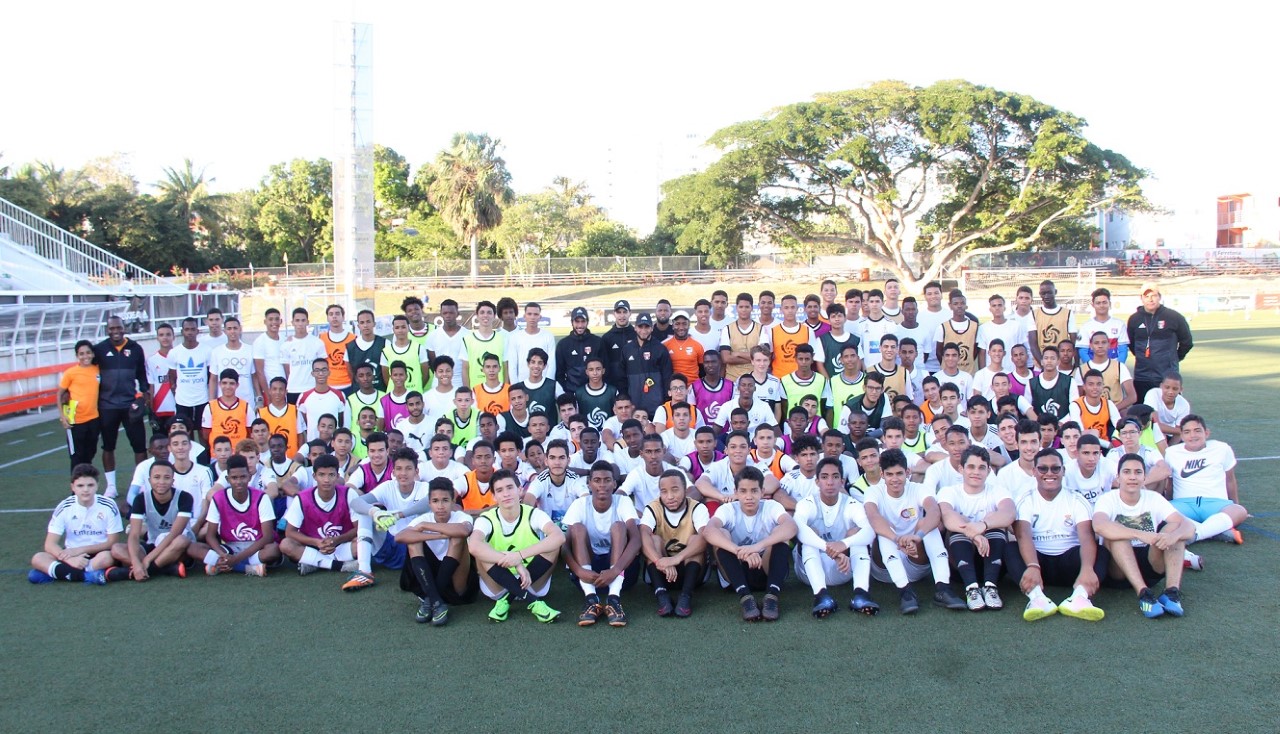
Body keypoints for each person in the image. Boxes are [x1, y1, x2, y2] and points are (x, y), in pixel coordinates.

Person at [864, 450, 968, 614]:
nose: (895, 479)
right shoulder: (873, 492)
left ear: (908, 472)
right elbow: (873, 517)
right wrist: (897, 539)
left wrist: (917, 537)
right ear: (882, 475)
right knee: (884, 528)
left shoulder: (919, 489)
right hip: (884, 569)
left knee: (928, 526)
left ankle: (943, 589)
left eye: (899, 473)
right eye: (890, 474)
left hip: (916, 560)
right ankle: (905, 592)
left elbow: (934, 512)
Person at [1093, 452, 1194, 618]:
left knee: (1175, 530)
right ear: (1118, 477)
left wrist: (1173, 536)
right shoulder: (1107, 499)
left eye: (1138, 472)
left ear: (1144, 477)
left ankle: (1171, 593)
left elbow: (1189, 526)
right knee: (1116, 535)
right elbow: (1099, 525)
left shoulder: (1154, 498)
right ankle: (1144, 594)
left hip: (1150, 563)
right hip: (1118, 570)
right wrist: (1139, 534)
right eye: (1127, 472)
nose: (1132, 477)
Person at [1012, 449, 1106, 622]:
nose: (1049, 473)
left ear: (1063, 471)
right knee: (1010, 549)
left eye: (1055, 468)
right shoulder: (1024, 500)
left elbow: (1086, 537)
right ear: (1034, 472)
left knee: (1102, 552)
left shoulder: (1076, 499)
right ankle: (1037, 599)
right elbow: (1023, 535)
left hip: (1069, 563)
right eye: (1043, 469)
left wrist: (1087, 569)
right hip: (1038, 564)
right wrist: (1033, 566)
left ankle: (1079, 598)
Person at [468, 469, 567, 623]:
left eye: (510, 487)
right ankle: (534, 602)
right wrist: (516, 563)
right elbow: (474, 546)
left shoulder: (534, 513)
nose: (506, 494)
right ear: (493, 496)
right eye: (500, 490)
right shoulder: (486, 518)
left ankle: (508, 599)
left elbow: (559, 536)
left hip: (532, 580)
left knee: (553, 545)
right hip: (497, 585)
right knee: (481, 549)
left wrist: (519, 555)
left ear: (520, 490)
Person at [702, 466, 799, 621]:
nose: (749, 497)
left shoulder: (771, 506)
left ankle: (772, 596)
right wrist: (740, 551)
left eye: (754, 491)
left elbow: (791, 527)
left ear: (762, 491)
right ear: (735, 492)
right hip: (736, 572)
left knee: (781, 534)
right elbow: (708, 531)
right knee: (721, 534)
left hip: (767, 570)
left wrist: (756, 547)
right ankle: (745, 597)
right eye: (743, 491)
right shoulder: (728, 509)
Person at [795, 457, 878, 618]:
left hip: (842, 569)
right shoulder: (806, 503)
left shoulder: (852, 504)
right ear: (817, 482)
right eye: (824, 477)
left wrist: (844, 544)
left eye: (835, 477)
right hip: (808, 572)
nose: (830, 482)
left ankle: (861, 594)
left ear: (842, 481)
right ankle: (821, 596)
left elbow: (870, 532)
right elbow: (799, 530)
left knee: (858, 535)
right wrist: (831, 549)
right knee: (810, 534)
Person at [938, 446, 1016, 611]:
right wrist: (975, 535)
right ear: (961, 469)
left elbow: (1009, 513)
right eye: (971, 467)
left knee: (995, 523)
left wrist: (983, 525)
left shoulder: (998, 491)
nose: (976, 472)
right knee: (956, 527)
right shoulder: (949, 491)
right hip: (959, 567)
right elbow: (947, 516)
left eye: (981, 467)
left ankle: (990, 586)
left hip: (995, 565)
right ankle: (971, 588)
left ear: (989, 471)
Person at [564, 462, 642, 627]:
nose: (602, 485)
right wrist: (579, 571)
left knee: (619, 527)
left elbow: (636, 539)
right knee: (577, 529)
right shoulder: (579, 504)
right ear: (589, 484)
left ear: (614, 484)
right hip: (588, 575)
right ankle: (591, 599)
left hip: (620, 573)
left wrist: (615, 570)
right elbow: (564, 545)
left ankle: (614, 599)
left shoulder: (623, 501)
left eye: (607, 480)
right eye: (597, 480)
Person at [393, 477, 478, 626]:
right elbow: (400, 537)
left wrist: (425, 526)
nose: (440, 506)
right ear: (429, 503)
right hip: (429, 580)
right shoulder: (424, 518)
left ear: (453, 501)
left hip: (457, 584)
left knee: (457, 538)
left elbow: (464, 530)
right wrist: (439, 535)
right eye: (435, 501)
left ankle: (430, 600)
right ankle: (436, 601)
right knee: (413, 541)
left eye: (445, 500)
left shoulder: (461, 517)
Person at [343, 447, 429, 591]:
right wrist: (375, 512)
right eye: (399, 469)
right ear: (393, 472)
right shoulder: (387, 487)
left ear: (416, 471)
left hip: (415, 549)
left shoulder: (425, 487)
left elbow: (428, 503)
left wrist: (398, 515)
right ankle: (364, 571)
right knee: (365, 512)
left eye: (408, 468)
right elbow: (356, 503)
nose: (403, 473)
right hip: (390, 547)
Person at [29, 464, 123, 585]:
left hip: (98, 554)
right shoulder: (65, 506)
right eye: (80, 485)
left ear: (97, 486)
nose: (86, 490)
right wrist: (71, 559)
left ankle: (61, 573)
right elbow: (50, 544)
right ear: (72, 487)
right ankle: (87, 576)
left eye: (90, 485)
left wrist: (79, 550)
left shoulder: (108, 505)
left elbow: (112, 542)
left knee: (107, 558)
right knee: (38, 558)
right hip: (70, 556)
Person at [1164, 415, 1246, 545]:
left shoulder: (1222, 448)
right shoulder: (1171, 452)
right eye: (1187, 432)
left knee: (1240, 511)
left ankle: (1195, 534)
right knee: (1160, 512)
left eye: (1197, 430)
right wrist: (1168, 502)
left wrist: (1235, 504)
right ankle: (1215, 531)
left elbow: (1230, 480)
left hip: (1216, 504)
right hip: (1183, 504)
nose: (1192, 435)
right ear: (1182, 435)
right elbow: (1170, 483)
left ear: (1206, 433)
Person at [94, 315, 152, 498]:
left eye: (118, 327)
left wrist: (145, 393)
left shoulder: (135, 348)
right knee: (108, 446)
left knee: (139, 446)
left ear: (124, 327)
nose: (116, 331)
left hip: (129, 404)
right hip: (107, 405)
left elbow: (141, 374)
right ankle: (111, 486)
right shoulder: (99, 349)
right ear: (107, 330)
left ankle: (140, 484)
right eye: (112, 328)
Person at [639, 470, 709, 618]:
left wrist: (676, 559)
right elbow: (643, 535)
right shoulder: (652, 507)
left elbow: (705, 538)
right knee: (653, 539)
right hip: (661, 570)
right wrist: (660, 561)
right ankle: (662, 595)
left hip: (691, 571)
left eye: (675, 490)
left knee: (696, 539)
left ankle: (686, 596)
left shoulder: (697, 507)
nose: (669, 496)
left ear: (685, 490)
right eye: (664, 491)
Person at [201, 454, 281, 577]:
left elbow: (268, 537)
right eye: (234, 478)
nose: (239, 482)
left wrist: (236, 559)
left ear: (249, 476)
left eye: (243, 477)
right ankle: (248, 568)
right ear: (227, 479)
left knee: (274, 550)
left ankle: (223, 565)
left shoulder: (261, 497)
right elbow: (210, 536)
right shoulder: (218, 498)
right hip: (230, 547)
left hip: (256, 546)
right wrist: (223, 555)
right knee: (193, 547)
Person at [112, 459, 192, 581]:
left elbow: (174, 534)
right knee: (116, 549)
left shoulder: (184, 497)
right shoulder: (141, 499)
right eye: (156, 477)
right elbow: (134, 535)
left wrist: (147, 560)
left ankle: (146, 570)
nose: (161, 482)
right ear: (149, 480)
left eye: (166, 478)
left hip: (174, 546)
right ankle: (165, 568)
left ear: (173, 481)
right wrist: (136, 562)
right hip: (153, 544)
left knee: (181, 540)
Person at [279, 454, 359, 574]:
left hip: (341, 545)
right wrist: (316, 542)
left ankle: (314, 563)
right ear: (314, 476)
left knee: (364, 542)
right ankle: (338, 565)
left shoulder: (349, 494)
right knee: (286, 545)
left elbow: (359, 528)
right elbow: (290, 532)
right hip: (313, 547)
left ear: (337, 476)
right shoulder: (302, 498)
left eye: (331, 475)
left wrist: (337, 540)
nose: (326, 480)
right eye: (322, 475)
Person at [1127, 282, 1193, 400]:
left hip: (1167, 377)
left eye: (1154, 295)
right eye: (1146, 296)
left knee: (1169, 409)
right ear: (1141, 298)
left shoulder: (1174, 317)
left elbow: (1187, 342)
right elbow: (1131, 344)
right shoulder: (1134, 319)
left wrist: (1173, 358)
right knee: (1143, 409)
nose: (1150, 299)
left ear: (1159, 297)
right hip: (1142, 377)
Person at [60, 340, 101, 472]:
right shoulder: (71, 373)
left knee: (90, 453)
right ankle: (75, 484)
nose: (85, 356)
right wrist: (63, 416)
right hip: (75, 421)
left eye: (88, 353)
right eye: (81, 354)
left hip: (94, 419)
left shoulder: (97, 369)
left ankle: (86, 482)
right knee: (76, 456)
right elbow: (59, 394)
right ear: (77, 356)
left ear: (93, 354)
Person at [621, 313, 672, 417]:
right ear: (635, 328)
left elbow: (667, 377)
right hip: (634, 406)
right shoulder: (627, 349)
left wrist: (666, 400)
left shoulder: (660, 348)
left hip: (656, 406)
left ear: (652, 328)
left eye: (647, 327)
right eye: (640, 327)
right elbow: (622, 378)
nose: (643, 330)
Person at [280, 308, 327, 403]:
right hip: (293, 389)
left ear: (307, 322)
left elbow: (323, 368)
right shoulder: (286, 345)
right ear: (292, 322)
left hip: (313, 388)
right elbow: (287, 371)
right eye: (297, 320)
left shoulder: (317, 342)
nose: (300, 324)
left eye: (303, 320)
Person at [207, 316, 256, 405]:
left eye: (235, 328)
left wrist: (259, 396)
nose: (232, 331)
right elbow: (213, 379)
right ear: (225, 331)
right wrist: (211, 402)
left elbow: (254, 377)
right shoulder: (216, 352)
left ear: (240, 329)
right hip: (224, 403)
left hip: (247, 400)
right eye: (229, 329)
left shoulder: (250, 350)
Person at [556, 306, 602, 395]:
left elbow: (604, 369)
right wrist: (566, 390)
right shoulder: (563, 344)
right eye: (577, 321)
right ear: (572, 322)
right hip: (571, 392)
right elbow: (559, 373)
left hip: (594, 392)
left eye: (583, 321)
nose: (580, 325)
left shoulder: (598, 342)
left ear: (587, 322)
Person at [1029, 280, 1076, 365]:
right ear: (1040, 294)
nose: (1046, 296)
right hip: (1041, 364)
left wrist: (1073, 362)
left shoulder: (1068, 313)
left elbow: (1074, 341)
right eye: (1043, 293)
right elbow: (1033, 344)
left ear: (1055, 292)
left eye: (1049, 293)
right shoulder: (1033, 314)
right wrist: (1043, 364)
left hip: (1062, 364)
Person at [346, 308, 389, 392]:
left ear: (374, 323)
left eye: (368, 322)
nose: (365, 325)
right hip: (358, 392)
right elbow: (350, 372)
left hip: (380, 390)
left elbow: (387, 371)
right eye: (362, 322)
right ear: (358, 326)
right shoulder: (350, 347)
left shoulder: (385, 343)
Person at [1144, 372, 1190, 444]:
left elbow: (1179, 434)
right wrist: (1181, 431)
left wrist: (1170, 448)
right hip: (1149, 431)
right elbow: (1155, 425)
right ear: (1161, 386)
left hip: (1170, 433)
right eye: (1167, 387)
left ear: (1180, 389)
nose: (1170, 392)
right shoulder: (1153, 394)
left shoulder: (1184, 404)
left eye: (1175, 389)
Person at [252, 308, 285, 400]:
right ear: (265, 322)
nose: (274, 322)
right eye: (270, 319)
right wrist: (268, 394)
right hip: (271, 390)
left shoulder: (284, 339)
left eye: (276, 319)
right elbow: (259, 372)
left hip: (284, 389)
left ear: (281, 321)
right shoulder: (260, 342)